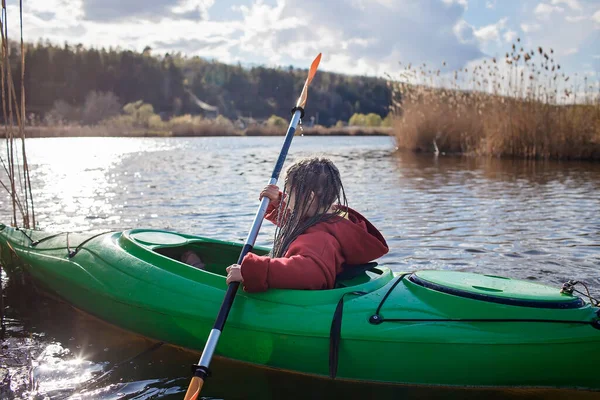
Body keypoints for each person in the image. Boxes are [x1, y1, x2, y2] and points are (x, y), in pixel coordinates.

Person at [225, 156, 388, 292]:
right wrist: (277, 202)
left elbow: (309, 273)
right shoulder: (330, 217)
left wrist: (251, 271)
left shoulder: (320, 238)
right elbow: (297, 222)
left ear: (309, 198)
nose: (286, 197)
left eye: (288, 193)